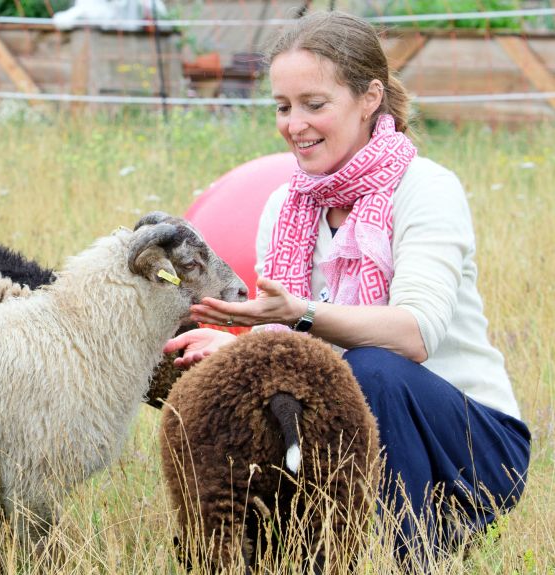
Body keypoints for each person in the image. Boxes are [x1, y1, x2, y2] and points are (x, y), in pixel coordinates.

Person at [164, 10, 531, 566]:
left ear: (369, 98)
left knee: (373, 369)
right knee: (234, 389)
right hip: (351, 422)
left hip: (473, 448)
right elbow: (306, 356)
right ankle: (266, 547)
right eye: (283, 107)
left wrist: (298, 315)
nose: (295, 124)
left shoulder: (426, 189)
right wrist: (240, 349)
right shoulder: (284, 208)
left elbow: (414, 334)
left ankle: (405, 554)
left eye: (315, 104)